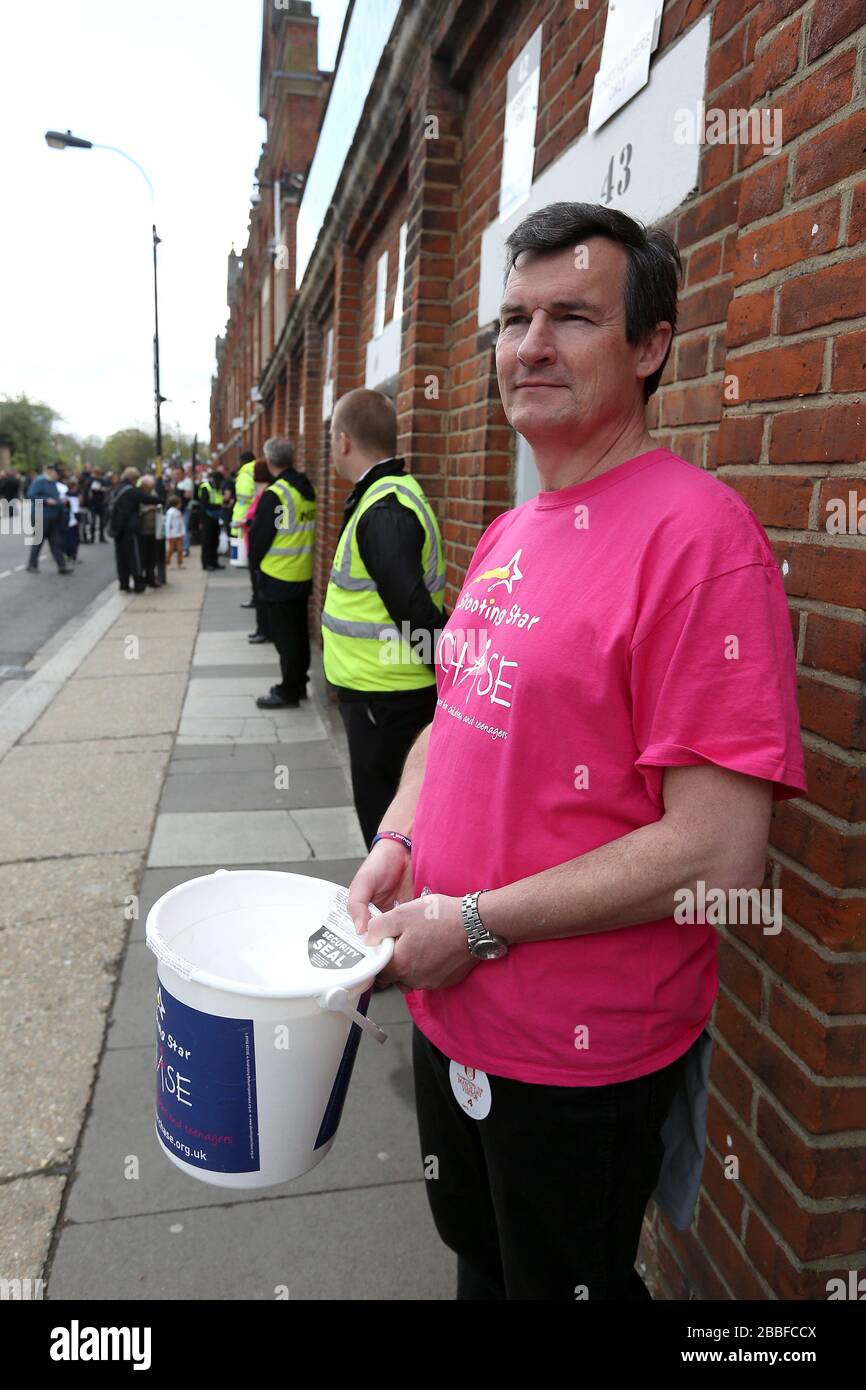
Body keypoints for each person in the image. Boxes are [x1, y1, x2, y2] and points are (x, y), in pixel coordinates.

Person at [346, 202, 807, 1302]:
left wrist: (471, 923)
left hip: (573, 1053)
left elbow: (715, 853)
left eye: (569, 317)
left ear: (649, 348)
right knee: (478, 1258)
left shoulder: (698, 541)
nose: (528, 345)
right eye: (511, 319)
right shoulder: (514, 528)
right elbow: (450, 721)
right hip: (447, 1003)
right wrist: (399, 841)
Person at [321, 388, 445, 850]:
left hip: (386, 702)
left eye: (332, 439)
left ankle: (390, 919)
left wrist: (450, 682)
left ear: (345, 441)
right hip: (382, 695)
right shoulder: (387, 497)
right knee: (392, 828)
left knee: (387, 831)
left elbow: (414, 612)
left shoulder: (384, 510)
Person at [249, 436, 316, 707]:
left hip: (278, 577)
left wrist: (255, 564)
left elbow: (261, 537)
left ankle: (288, 689)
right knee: (298, 635)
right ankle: (298, 683)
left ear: (269, 460)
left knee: (285, 639)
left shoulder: (277, 494)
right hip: (301, 574)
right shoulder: (304, 488)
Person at [245, 459, 274, 645]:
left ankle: (263, 630)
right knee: (259, 594)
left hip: (265, 555)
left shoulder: (270, 494)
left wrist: (247, 523)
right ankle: (262, 629)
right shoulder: (266, 493)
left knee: (261, 594)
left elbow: (267, 525)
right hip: (257, 549)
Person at [25, 462, 72, 574]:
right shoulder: (40, 481)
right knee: (38, 542)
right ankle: (32, 564)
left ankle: (62, 567)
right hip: (41, 516)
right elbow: (31, 495)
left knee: (56, 542)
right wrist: (46, 500)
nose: (58, 475)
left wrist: (61, 502)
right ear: (50, 471)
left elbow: (55, 498)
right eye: (56, 472)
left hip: (53, 517)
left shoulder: (54, 483)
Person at [109, 466, 146, 593]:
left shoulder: (117, 489)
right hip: (129, 529)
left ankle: (124, 583)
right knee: (133, 557)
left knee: (121, 558)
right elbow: (146, 498)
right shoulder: (131, 490)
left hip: (117, 528)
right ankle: (138, 583)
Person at [231, 449, 258, 608]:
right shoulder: (260, 473)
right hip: (254, 518)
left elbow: (243, 498)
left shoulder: (244, 475)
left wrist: (241, 518)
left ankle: (256, 598)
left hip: (245, 520)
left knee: (251, 563)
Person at [197, 468, 225, 570]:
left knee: (215, 540)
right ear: (214, 480)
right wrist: (218, 506)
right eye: (219, 481)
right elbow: (204, 503)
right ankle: (206, 563)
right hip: (207, 517)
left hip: (216, 517)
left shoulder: (217, 488)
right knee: (207, 541)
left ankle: (214, 562)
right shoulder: (206, 487)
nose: (220, 484)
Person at [137, 474, 161, 587]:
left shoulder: (153, 494)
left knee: (153, 556)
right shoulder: (139, 494)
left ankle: (151, 577)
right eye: (149, 486)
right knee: (143, 555)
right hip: (143, 529)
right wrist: (148, 509)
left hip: (153, 529)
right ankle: (142, 577)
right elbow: (137, 509)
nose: (150, 489)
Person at [63, 476, 83, 566]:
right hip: (73, 520)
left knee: (67, 538)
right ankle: (73, 556)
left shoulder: (65, 494)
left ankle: (67, 555)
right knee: (75, 539)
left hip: (66, 520)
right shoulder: (76, 496)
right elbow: (76, 510)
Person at [164, 494, 185, 569]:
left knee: (180, 550)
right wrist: (168, 535)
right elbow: (168, 524)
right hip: (172, 535)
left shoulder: (178, 512)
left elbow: (181, 523)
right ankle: (167, 563)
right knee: (170, 550)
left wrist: (183, 532)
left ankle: (180, 563)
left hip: (178, 534)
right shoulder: (170, 512)